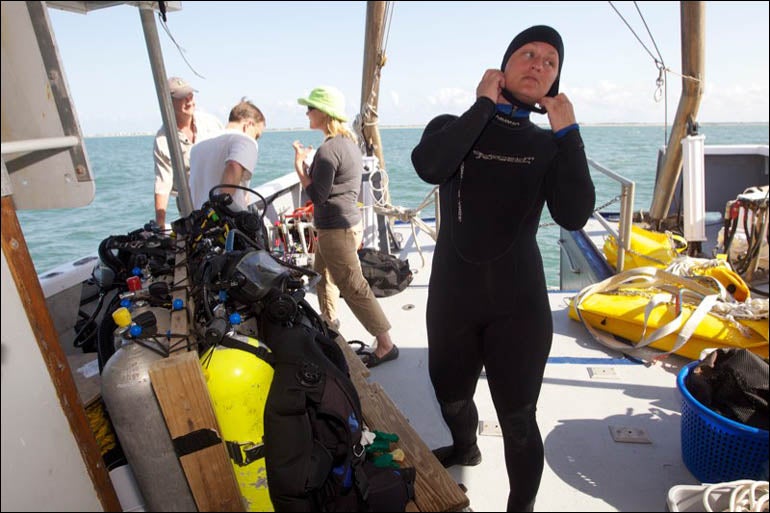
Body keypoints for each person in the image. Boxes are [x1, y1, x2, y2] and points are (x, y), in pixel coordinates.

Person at [410, 25, 595, 512]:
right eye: (527, 54)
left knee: (518, 420)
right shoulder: (453, 125)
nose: (538, 64)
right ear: (503, 67)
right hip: (454, 297)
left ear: (555, 81)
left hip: (519, 305)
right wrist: (482, 105)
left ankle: (521, 508)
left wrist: (570, 134)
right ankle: (466, 446)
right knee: (451, 398)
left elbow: (574, 214)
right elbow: (429, 166)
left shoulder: (549, 145)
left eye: (550, 61)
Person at [292, 85, 398, 368]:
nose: (306, 112)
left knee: (353, 287)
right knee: (324, 276)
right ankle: (330, 325)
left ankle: (386, 344)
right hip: (346, 225)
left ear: (324, 114)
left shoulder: (327, 151)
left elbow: (317, 195)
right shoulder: (348, 144)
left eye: (310, 108)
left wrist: (300, 167)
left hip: (334, 230)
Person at [153, 76, 223, 228]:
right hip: (190, 203)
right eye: (182, 97)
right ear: (169, 102)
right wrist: (160, 225)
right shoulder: (163, 140)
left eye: (190, 94)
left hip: (219, 193)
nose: (189, 99)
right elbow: (162, 185)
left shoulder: (212, 123)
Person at [188, 99, 265, 210]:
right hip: (226, 223)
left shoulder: (198, 145)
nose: (255, 139)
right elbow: (233, 166)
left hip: (201, 221)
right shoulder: (245, 140)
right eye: (256, 135)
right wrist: (220, 210)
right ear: (248, 125)